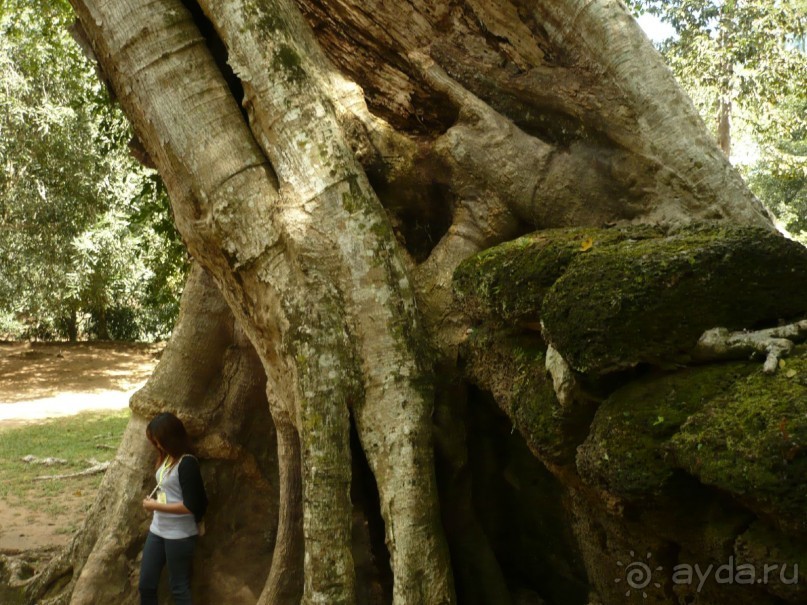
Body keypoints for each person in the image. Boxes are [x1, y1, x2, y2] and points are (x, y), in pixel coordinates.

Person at [139, 412, 208, 605]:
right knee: (146, 585)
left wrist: (156, 506)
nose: (157, 445)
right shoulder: (167, 458)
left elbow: (190, 505)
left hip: (179, 534)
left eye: (159, 441)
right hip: (157, 530)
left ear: (171, 439)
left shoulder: (187, 463)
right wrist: (156, 504)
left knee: (179, 587)